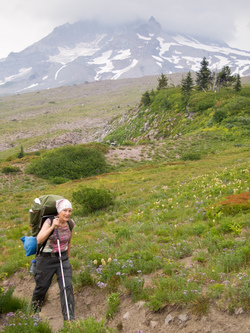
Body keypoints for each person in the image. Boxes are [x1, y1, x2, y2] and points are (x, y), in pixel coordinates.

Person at [31, 199, 75, 321]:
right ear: (58, 211)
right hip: (46, 259)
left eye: (69, 211)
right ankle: (32, 315)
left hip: (63, 259)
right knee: (42, 287)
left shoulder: (70, 223)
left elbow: (69, 242)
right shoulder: (49, 221)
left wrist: (67, 260)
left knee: (67, 287)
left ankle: (70, 320)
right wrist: (52, 227)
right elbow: (39, 240)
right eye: (64, 210)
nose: (67, 213)